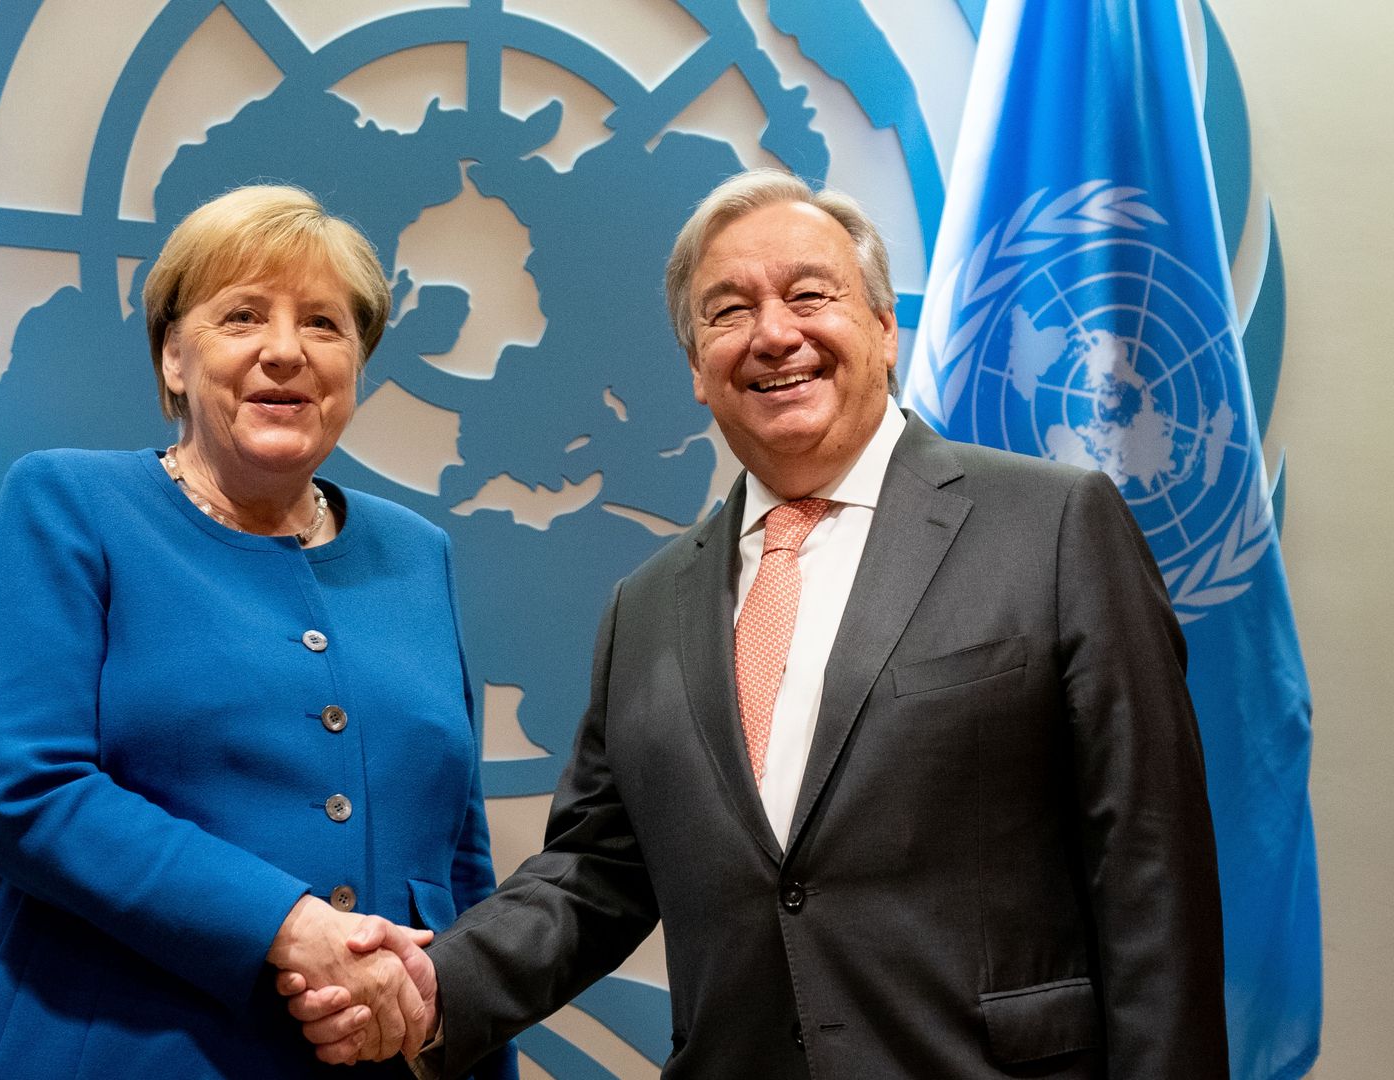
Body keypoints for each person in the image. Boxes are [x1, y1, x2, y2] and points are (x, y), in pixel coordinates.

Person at [285, 169, 1227, 1078]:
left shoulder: (1053, 527)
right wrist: (431, 989)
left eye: (810, 295)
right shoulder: (648, 606)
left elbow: (1151, 875)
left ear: (885, 329)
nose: (774, 335)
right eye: (728, 311)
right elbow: (594, 873)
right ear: (699, 369)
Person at [0, 185, 515, 1080]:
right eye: (243, 316)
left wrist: (453, 1029)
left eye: (323, 324)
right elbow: (25, 788)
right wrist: (291, 927)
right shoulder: (70, 504)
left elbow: (458, 857)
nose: (285, 351)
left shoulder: (416, 553)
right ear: (174, 357)